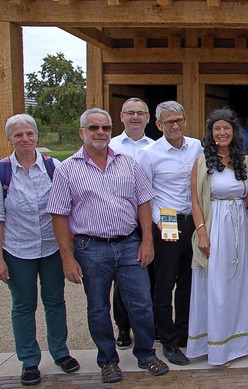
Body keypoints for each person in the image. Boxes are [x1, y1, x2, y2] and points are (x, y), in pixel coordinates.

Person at [47, 108, 168, 384]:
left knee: (141, 303)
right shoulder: (67, 170)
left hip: (129, 244)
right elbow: (58, 215)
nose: (100, 132)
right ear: (82, 132)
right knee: (98, 307)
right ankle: (108, 361)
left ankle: (146, 354)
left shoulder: (128, 163)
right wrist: (68, 257)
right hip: (91, 248)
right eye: (93, 128)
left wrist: (147, 241)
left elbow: (144, 203)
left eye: (105, 128)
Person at [0, 114, 78, 386]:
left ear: (36, 136)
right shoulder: (3, 171)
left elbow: (65, 207)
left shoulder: (52, 166)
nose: (25, 139)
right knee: (23, 305)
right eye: (18, 135)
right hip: (18, 248)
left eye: (29, 133)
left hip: (51, 247)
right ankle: (29, 360)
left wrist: (69, 246)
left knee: (55, 300)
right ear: (10, 139)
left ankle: (60, 352)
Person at [187, 108, 248, 365]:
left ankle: (238, 342)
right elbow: (195, 201)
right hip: (215, 225)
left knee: (238, 284)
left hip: (239, 224)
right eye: (216, 129)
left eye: (226, 128)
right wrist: (202, 233)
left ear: (234, 132)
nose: (221, 133)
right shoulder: (202, 162)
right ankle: (218, 346)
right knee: (217, 286)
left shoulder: (244, 160)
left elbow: (246, 197)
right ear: (210, 133)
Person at [137, 100, 203, 366]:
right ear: (159, 125)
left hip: (194, 220)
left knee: (189, 280)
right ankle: (167, 339)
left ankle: (184, 332)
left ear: (185, 120)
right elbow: (144, 194)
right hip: (167, 221)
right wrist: (158, 227)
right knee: (165, 283)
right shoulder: (149, 154)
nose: (175, 126)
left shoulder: (196, 146)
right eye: (168, 122)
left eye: (179, 120)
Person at [109, 97, 156, 350]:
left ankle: (150, 325)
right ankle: (124, 327)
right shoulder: (111, 145)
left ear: (149, 118)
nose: (135, 117)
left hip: (151, 219)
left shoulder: (157, 147)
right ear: (122, 117)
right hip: (123, 220)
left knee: (151, 275)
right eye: (131, 113)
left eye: (140, 113)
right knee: (123, 278)